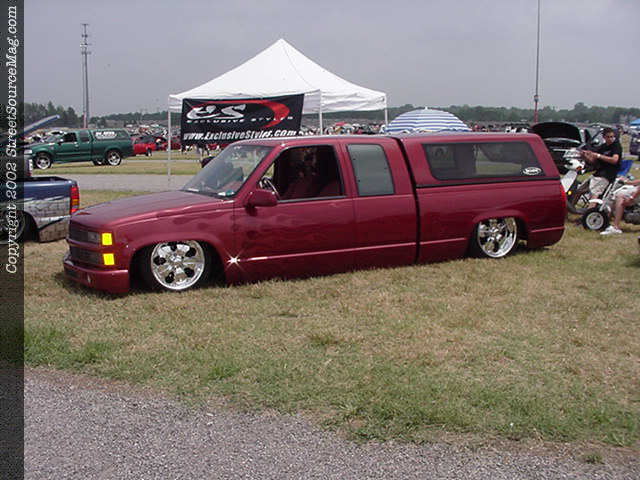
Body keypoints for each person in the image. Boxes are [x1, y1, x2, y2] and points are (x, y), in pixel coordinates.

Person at [580, 127, 622, 208]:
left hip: (607, 175)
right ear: (604, 137)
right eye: (608, 137)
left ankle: (590, 211)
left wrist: (599, 156)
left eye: (612, 137)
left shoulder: (616, 146)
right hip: (598, 173)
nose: (610, 139)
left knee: (595, 193)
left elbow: (614, 160)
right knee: (580, 190)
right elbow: (593, 162)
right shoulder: (602, 147)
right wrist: (585, 156)